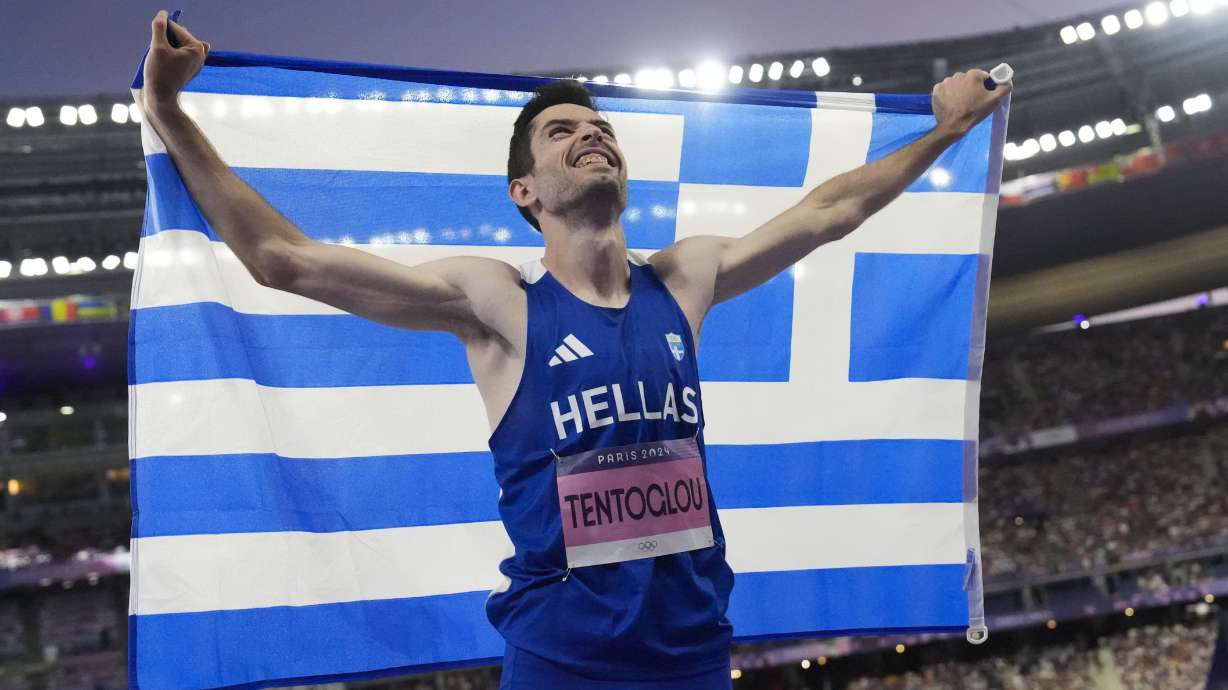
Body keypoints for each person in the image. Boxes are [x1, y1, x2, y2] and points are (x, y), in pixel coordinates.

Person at [140, 9, 1011, 689]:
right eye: (561, 132)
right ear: (525, 190)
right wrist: (169, 110)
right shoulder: (498, 306)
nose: (589, 134)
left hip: (694, 653)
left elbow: (828, 214)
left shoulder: (684, 277)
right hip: (566, 663)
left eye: (598, 129)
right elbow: (283, 261)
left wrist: (942, 131)